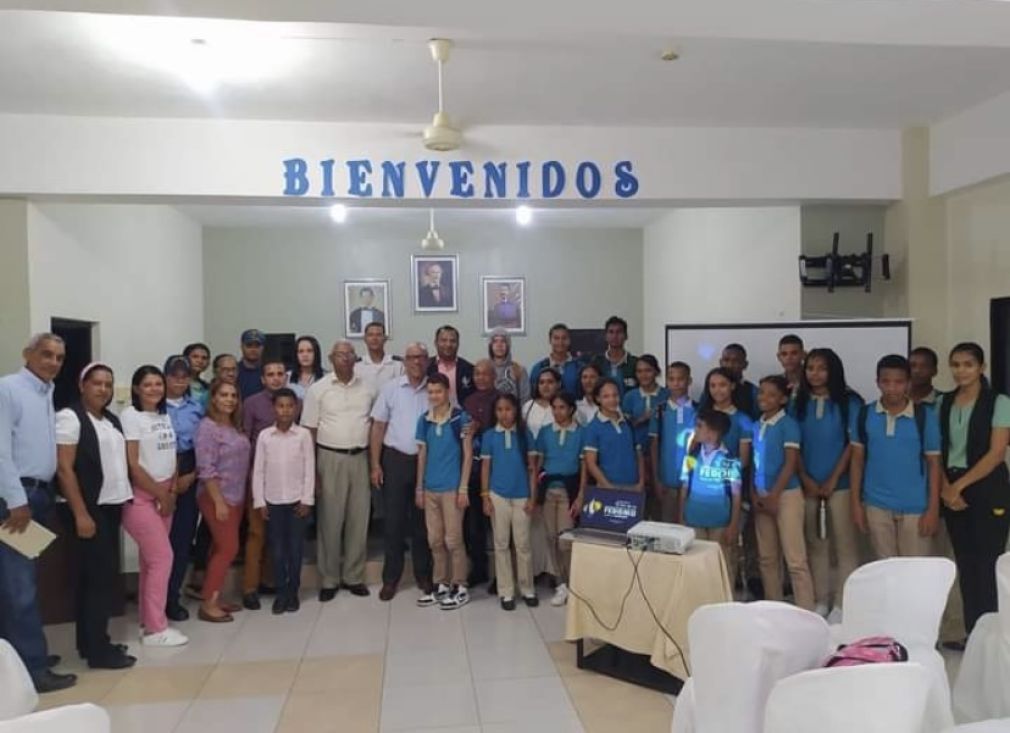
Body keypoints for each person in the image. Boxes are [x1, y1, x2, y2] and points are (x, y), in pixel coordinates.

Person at [0, 334, 77, 692]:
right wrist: (16, 500)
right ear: (27, 354)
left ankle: (21, 659)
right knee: (20, 589)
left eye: (59, 357)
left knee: (21, 584)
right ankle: (32, 671)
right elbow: (0, 451)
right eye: (46, 355)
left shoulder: (44, 393)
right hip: (16, 500)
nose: (53, 362)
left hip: (40, 496)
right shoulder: (9, 389)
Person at [54, 363, 136, 670]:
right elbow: (64, 468)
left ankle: (91, 642)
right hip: (88, 509)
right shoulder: (70, 418)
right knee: (97, 581)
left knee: (99, 579)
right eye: (97, 383)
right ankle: (99, 652)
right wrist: (80, 513)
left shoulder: (110, 419)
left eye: (108, 384)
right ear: (82, 385)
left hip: (110, 507)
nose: (103, 389)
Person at [938, 342, 1010, 645]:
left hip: (986, 487)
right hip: (951, 488)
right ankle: (972, 634)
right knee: (965, 563)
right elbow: (937, 450)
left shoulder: (999, 402)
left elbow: (996, 454)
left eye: (968, 364)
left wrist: (958, 486)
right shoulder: (943, 402)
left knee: (988, 563)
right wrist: (945, 486)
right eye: (955, 364)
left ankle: (991, 638)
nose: (960, 371)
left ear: (981, 368)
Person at [301, 341, 376, 601]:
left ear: (356, 359)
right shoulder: (318, 389)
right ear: (331, 358)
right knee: (329, 521)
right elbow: (308, 430)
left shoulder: (368, 387)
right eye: (340, 355)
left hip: (361, 457)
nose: (345, 359)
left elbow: (376, 423)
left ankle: (354, 577)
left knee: (359, 518)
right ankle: (330, 579)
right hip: (329, 457)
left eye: (349, 354)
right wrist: (312, 472)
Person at [120, 365, 188, 647]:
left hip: (165, 494)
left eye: (158, 384)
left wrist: (171, 489)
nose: (154, 389)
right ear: (137, 388)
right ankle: (156, 629)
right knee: (163, 558)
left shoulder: (163, 415)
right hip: (142, 497)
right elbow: (133, 464)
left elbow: (169, 453)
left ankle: (148, 622)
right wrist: (161, 493)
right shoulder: (130, 416)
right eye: (147, 385)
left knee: (151, 562)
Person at [850, 355, 941, 559]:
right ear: (877, 382)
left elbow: (934, 464)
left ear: (908, 383)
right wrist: (856, 504)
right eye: (886, 382)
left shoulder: (924, 417)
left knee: (914, 572)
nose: (892, 388)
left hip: (916, 507)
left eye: (899, 382)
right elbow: (857, 462)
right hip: (876, 505)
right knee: (886, 571)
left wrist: (933, 509)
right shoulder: (865, 414)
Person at [793, 348, 862, 621]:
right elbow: (792, 445)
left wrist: (833, 478)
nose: (815, 373)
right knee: (816, 545)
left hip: (841, 485)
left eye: (822, 368)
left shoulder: (849, 401)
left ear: (833, 370)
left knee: (845, 547)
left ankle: (843, 604)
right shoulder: (797, 401)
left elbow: (852, 446)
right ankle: (821, 600)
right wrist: (807, 479)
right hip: (808, 485)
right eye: (810, 368)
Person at [370, 343, 435, 602]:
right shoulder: (391, 389)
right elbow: (377, 428)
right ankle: (390, 579)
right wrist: (375, 464)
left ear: (428, 361)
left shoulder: (436, 389)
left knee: (423, 524)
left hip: (427, 463)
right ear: (404, 362)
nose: (417, 362)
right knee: (393, 523)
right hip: (395, 461)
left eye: (421, 357)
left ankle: (423, 574)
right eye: (412, 358)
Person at [751, 375, 814, 610]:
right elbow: (755, 464)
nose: (764, 398)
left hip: (785, 495)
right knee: (767, 559)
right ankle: (773, 609)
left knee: (795, 560)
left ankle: (806, 611)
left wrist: (774, 495)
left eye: (771, 394)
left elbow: (790, 463)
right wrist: (756, 494)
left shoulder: (788, 425)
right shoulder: (757, 425)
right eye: (761, 393)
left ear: (783, 399)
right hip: (761, 496)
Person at [242, 359, 300, 610]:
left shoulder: (296, 403)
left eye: (280, 373)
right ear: (263, 378)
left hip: (290, 483)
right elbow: (244, 438)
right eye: (270, 374)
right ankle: (250, 588)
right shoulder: (251, 403)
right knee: (258, 535)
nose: (275, 378)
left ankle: (277, 584)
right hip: (259, 479)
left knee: (283, 539)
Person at [252, 388, 314, 615]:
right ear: (273, 409)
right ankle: (281, 592)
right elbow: (258, 470)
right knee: (277, 550)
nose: (285, 410)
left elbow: (310, 468)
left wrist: (307, 499)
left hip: (297, 501)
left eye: (290, 406)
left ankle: (293, 592)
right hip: (273, 501)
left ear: (296, 409)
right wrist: (260, 501)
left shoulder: (303, 435)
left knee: (295, 549)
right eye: (281, 406)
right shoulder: (265, 436)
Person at [415, 373, 472, 610]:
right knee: (435, 540)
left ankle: (460, 586)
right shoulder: (424, 420)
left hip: (452, 489)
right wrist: (420, 487)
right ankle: (441, 584)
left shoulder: (460, 418)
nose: (434, 396)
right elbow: (422, 455)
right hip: (431, 489)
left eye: (438, 391)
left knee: (453, 540)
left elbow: (468, 455)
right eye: (430, 392)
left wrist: (463, 488)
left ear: (447, 391)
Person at [195, 379, 251, 622]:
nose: (229, 399)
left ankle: (216, 596)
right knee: (229, 548)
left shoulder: (234, 425)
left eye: (233, 395)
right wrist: (218, 501)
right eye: (223, 395)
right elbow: (205, 469)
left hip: (236, 495)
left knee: (221, 548)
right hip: (217, 497)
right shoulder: (207, 428)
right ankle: (208, 603)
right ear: (213, 398)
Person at [529, 392, 584, 607]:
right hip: (548, 491)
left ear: (571, 409)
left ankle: (574, 583)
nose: (557, 411)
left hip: (568, 492)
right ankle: (560, 583)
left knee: (566, 541)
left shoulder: (581, 432)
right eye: (554, 408)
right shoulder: (544, 432)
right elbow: (538, 465)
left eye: (562, 407)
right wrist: (535, 495)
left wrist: (580, 495)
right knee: (551, 537)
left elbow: (584, 468)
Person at [481, 394, 535, 610]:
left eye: (509, 409)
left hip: (522, 495)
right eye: (500, 409)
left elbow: (532, 468)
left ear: (516, 411)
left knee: (523, 544)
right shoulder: (489, 436)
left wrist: (532, 496)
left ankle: (527, 588)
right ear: (495, 412)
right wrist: (485, 496)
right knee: (501, 544)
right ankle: (506, 591)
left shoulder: (525, 435)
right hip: (498, 495)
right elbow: (486, 468)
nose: (504, 414)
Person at [162, 356, 205, 622]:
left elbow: (205, 444)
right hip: (158, 473)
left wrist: (192, 475)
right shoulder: (152, 407)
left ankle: (172, 598)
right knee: (157, 543)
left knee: (180, 540)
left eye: (184, 375)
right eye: (174, 375)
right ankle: (153, 600)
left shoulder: (197, 407)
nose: (179, 380)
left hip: (190, 470)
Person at [679, 409, 742, 583]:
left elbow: (736, 495)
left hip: (720, 522)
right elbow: (684, 488)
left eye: (700, 426)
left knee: (723, 565)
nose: (695, 430)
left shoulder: (729, 459)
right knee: (697, 565)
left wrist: (733, 525)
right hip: (694, 518)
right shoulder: (691, 457)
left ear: (713, 432)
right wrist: (681, 516)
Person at [461, 360, 499, 587]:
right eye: (477, 374)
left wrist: (480, 427)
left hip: (498, 470)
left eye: (486, 374)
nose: (481, 378)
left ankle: (501, 575)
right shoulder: (468, 401)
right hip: (474, 471)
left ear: (494, 376)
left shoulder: (502, 399)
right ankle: (479, 569)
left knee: (498, 525)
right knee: (473, 525)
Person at [650, 362, 697, 523]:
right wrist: (656, 480)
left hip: (693, 484)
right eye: (671, 379)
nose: (676, 383)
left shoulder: (699, 410)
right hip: (666, 481)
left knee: (690, 526)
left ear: (689, 381)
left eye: (681, 379)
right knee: (668, 528)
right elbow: (654, 447)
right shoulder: (660, 410)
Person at [623, 354, 668, 515]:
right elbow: (625, 428)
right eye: (639, 371)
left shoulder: (666, 395)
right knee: (639, 503)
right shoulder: (630, 397)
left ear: (656, 372)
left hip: (662, 456)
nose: (644, 375)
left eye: (648, 370)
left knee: (659, 503)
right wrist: (642, 418)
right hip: (636, 456)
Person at [584, 379, 644, 490]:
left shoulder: (628, 423)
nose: (612, 400)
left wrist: (641, 482)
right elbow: (591, 463)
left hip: (633, 486)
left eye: (615, 395)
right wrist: (608, 486)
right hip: (607, 487)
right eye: (606, 396)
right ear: (598, 398)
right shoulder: (593, 427)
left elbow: (638, 454)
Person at [701, 367, 754, 465]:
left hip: (729, 476)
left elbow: (744, 460)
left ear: (732, 386)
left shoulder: (743, 420)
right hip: (700, 475)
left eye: (722, 385)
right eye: (713, 386)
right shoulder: (701, 416)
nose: (717, 390)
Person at [426, 325, 474, 406]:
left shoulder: (469, 369)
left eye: (453, 341)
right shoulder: (426, 367)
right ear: (435, 343)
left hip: (461, 416)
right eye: (444, 340)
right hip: (432, 415)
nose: (448, 344)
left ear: (458, 344)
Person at [529, 323, 582, 397]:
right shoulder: (538, 368)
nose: (560, 342)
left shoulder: (579, 367)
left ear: (569, 341)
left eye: (564, 338)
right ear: (550, 341)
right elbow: (533, 395)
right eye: (556, 338)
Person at [590, 316, 638, 396]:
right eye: (611, 332)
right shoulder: (596, 362)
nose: (615, 336)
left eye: (619, 332)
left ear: (626, 336)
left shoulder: (635, 363)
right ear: (606, 336)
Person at [354, 323, 404, 394]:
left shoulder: (398, 365)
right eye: (370, 335)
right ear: (365, 339)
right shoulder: (356, 366)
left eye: (378, 335)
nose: (374, 338)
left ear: (385, 339)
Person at [488, 328, 530, 404]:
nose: (499, 345)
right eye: (495, 341)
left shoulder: (519, 370)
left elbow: (525, 399)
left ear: (508, 345)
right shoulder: (485, 370)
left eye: (503, 341)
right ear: (490, 346)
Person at [719, 343, 760, 419]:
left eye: (736, 361)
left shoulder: (753, 392)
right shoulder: (711, 389)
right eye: (726, 360)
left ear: (745, 365)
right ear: (720, 363)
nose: (730, 365)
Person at [523, 368, 561, 439]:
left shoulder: (565, 406)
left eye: (550, 382)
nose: (545, 386)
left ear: (558, 384)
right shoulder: (527, 406)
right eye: (541, 382)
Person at [288, 335, 325, 400]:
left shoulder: (326, 377)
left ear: (316, 353)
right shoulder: (287, 378)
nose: (305, 355)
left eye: (309, 351)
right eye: (301, 351)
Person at [236, 329, 266, 400]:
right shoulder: (234, 371)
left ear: (263, 348)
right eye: (249, 345)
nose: (253, 349)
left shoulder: (269, 372)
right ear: (241, 347)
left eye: (257, 346)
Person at [184, 342, 211, 407]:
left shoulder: (207, 387)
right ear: (185, 359)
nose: (200, 361)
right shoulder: (177, 384)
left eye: (204, 358)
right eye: (195, 357)